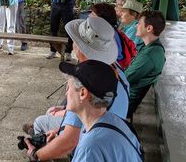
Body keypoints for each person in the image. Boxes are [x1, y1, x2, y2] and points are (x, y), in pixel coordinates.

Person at [22, 17, 130, 161]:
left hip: (93, 140)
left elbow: (69, 142)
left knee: (43, 121)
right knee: (57, 116)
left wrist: (35, 155)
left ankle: (39, 136)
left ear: (79, 46)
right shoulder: (118, 72)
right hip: (112, 131)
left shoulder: (84, 86)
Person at [56, 60, 142, 162]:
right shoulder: (115, 121)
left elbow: (91, 147)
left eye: (68, 87)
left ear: (83, 93)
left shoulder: (90, 147)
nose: (66, 93)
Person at [125, 10, 166, 120]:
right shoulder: (154, 47)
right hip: (127, 94)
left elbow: (124, 79)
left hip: (124, 101)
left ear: (149, 28)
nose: (136, 26)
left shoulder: (148, 56)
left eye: (139, 24)